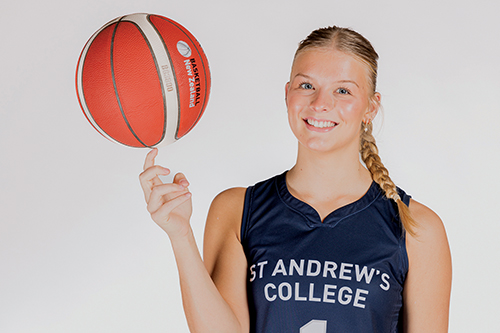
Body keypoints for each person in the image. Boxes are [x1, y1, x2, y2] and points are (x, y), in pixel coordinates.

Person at [139, 26, 452, 332]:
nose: (319, 104)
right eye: (306, 86)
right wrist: (180, 236)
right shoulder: (238, 210)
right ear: (287, 93)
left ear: (370, 107)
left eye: (342, 90)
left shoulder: (416, 228)